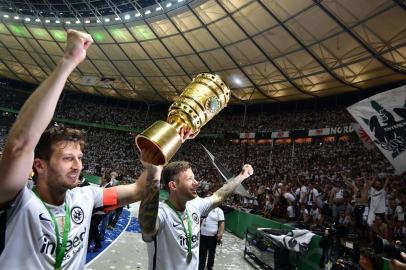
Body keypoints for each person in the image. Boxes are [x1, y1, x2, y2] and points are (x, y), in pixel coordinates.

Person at [0, 29, 164, 269]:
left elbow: (140, 189)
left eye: (79, 157)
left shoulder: (87, 197)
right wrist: (69, 62)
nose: (78, 165)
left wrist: (157, 161)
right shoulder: (15, 198)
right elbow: (19, 144)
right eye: (68, 158)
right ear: (39, 165)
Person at [139, 161, 253, 270]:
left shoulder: (195, 205)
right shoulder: (161, 213)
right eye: (190, 179)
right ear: (173, 185)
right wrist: (154, 174)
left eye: (194, 178)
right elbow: (147, 226)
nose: (196, 182)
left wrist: (242, 176)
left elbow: (219, 196)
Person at [198, 194, 225, 270]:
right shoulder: (203, 209)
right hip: (202, 235)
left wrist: (221, 233)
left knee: (211, 253)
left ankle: (209, 267)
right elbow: (199, 220)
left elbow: (222, 222)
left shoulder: (219, 210)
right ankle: (201, 267)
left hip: (212, 236)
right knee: (202, 253)